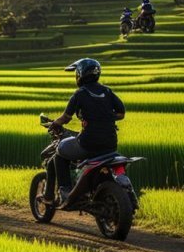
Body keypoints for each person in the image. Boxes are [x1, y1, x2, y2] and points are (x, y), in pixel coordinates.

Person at [47, 58, 126, 206]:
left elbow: (66, 118)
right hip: (110, 144)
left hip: (88, 143)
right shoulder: (107, 92)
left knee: (60, 152)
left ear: (80, 74)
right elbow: (121, 113)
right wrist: (105, 117)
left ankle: (64, 191)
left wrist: (54, 123)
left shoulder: (80, 94)